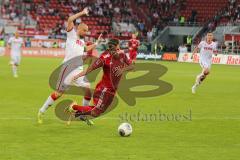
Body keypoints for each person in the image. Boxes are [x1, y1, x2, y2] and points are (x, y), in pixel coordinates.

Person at [37, 8, 101, 124]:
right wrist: (82, 13)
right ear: (79, 29)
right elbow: (70, 19)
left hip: (79, 70)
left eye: (87, 31)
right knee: (58, 93)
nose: (86, 33)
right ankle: (41, 111)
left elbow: (86, 48)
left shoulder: (82, 41)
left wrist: (96, 44)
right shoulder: (71, 34)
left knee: (88, 90)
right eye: (85, 31)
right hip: (67, 69)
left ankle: (82, 115)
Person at [65, 38, 134, 125]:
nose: (114, 51)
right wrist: (78, 75)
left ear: (118, 46)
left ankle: (77, 113)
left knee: (98, 112)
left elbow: (131, 66)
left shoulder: (122, 55)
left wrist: (123, 69)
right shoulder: (104, 57)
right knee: (96, 112)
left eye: (116, 49)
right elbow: (91, 68)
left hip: (113, 90)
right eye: (111, 49)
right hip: (104, 89)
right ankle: (74, 107)